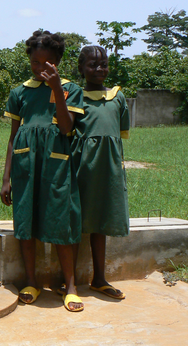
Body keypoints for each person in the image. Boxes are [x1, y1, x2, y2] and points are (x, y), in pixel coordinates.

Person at [0, 30, 85, 312]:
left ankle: (70, 286)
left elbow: (66, 127)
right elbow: (13, 138)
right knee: (26, 223)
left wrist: (57, 88)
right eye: (36, 62)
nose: (40, 69)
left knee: (61, 222)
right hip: (25, 166)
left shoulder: (71, 89)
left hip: (56, 163)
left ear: (57, 63)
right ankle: (31, 281)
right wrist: (6, 178)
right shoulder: (19, 92)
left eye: (47, 63)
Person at [71, 45, 129, 300]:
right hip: (82, 166)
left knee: (102, 221)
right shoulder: (76, 96)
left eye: (103, 64)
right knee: (75, 219)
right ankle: (69, 281)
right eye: (93, 65)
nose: (99, 69)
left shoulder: (118, 96)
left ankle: (99, 278)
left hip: (109, 168)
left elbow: (120, 134)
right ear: (81, 69)